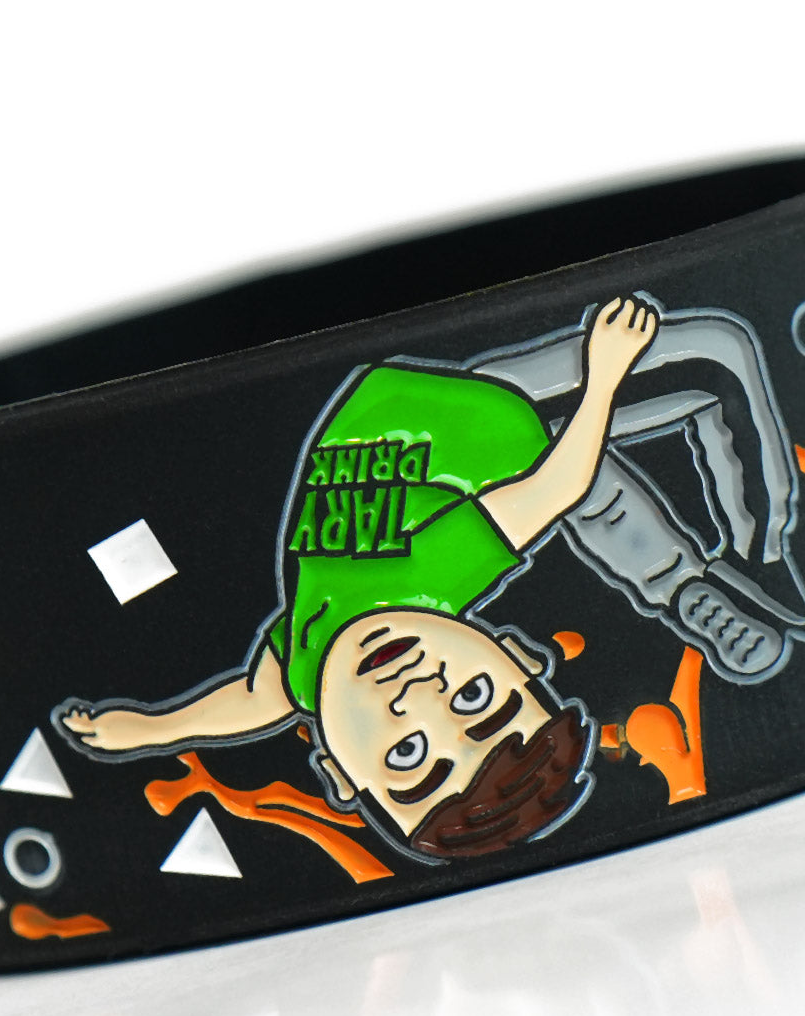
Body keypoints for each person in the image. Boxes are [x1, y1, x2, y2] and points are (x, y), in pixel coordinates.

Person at [56, 297, 803, 862]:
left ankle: (705, 581)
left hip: (453, 412)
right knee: (714, 357)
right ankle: (760, 565)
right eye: (477, 700)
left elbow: (240, 708)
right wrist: (603, 373)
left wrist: (142, 730)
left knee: (603, 483)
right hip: (499, 412)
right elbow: (556, 485)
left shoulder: (308, 661)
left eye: (407, 756)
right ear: (511, 654)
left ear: (338, 775)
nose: (422, 699)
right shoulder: (434, 571)